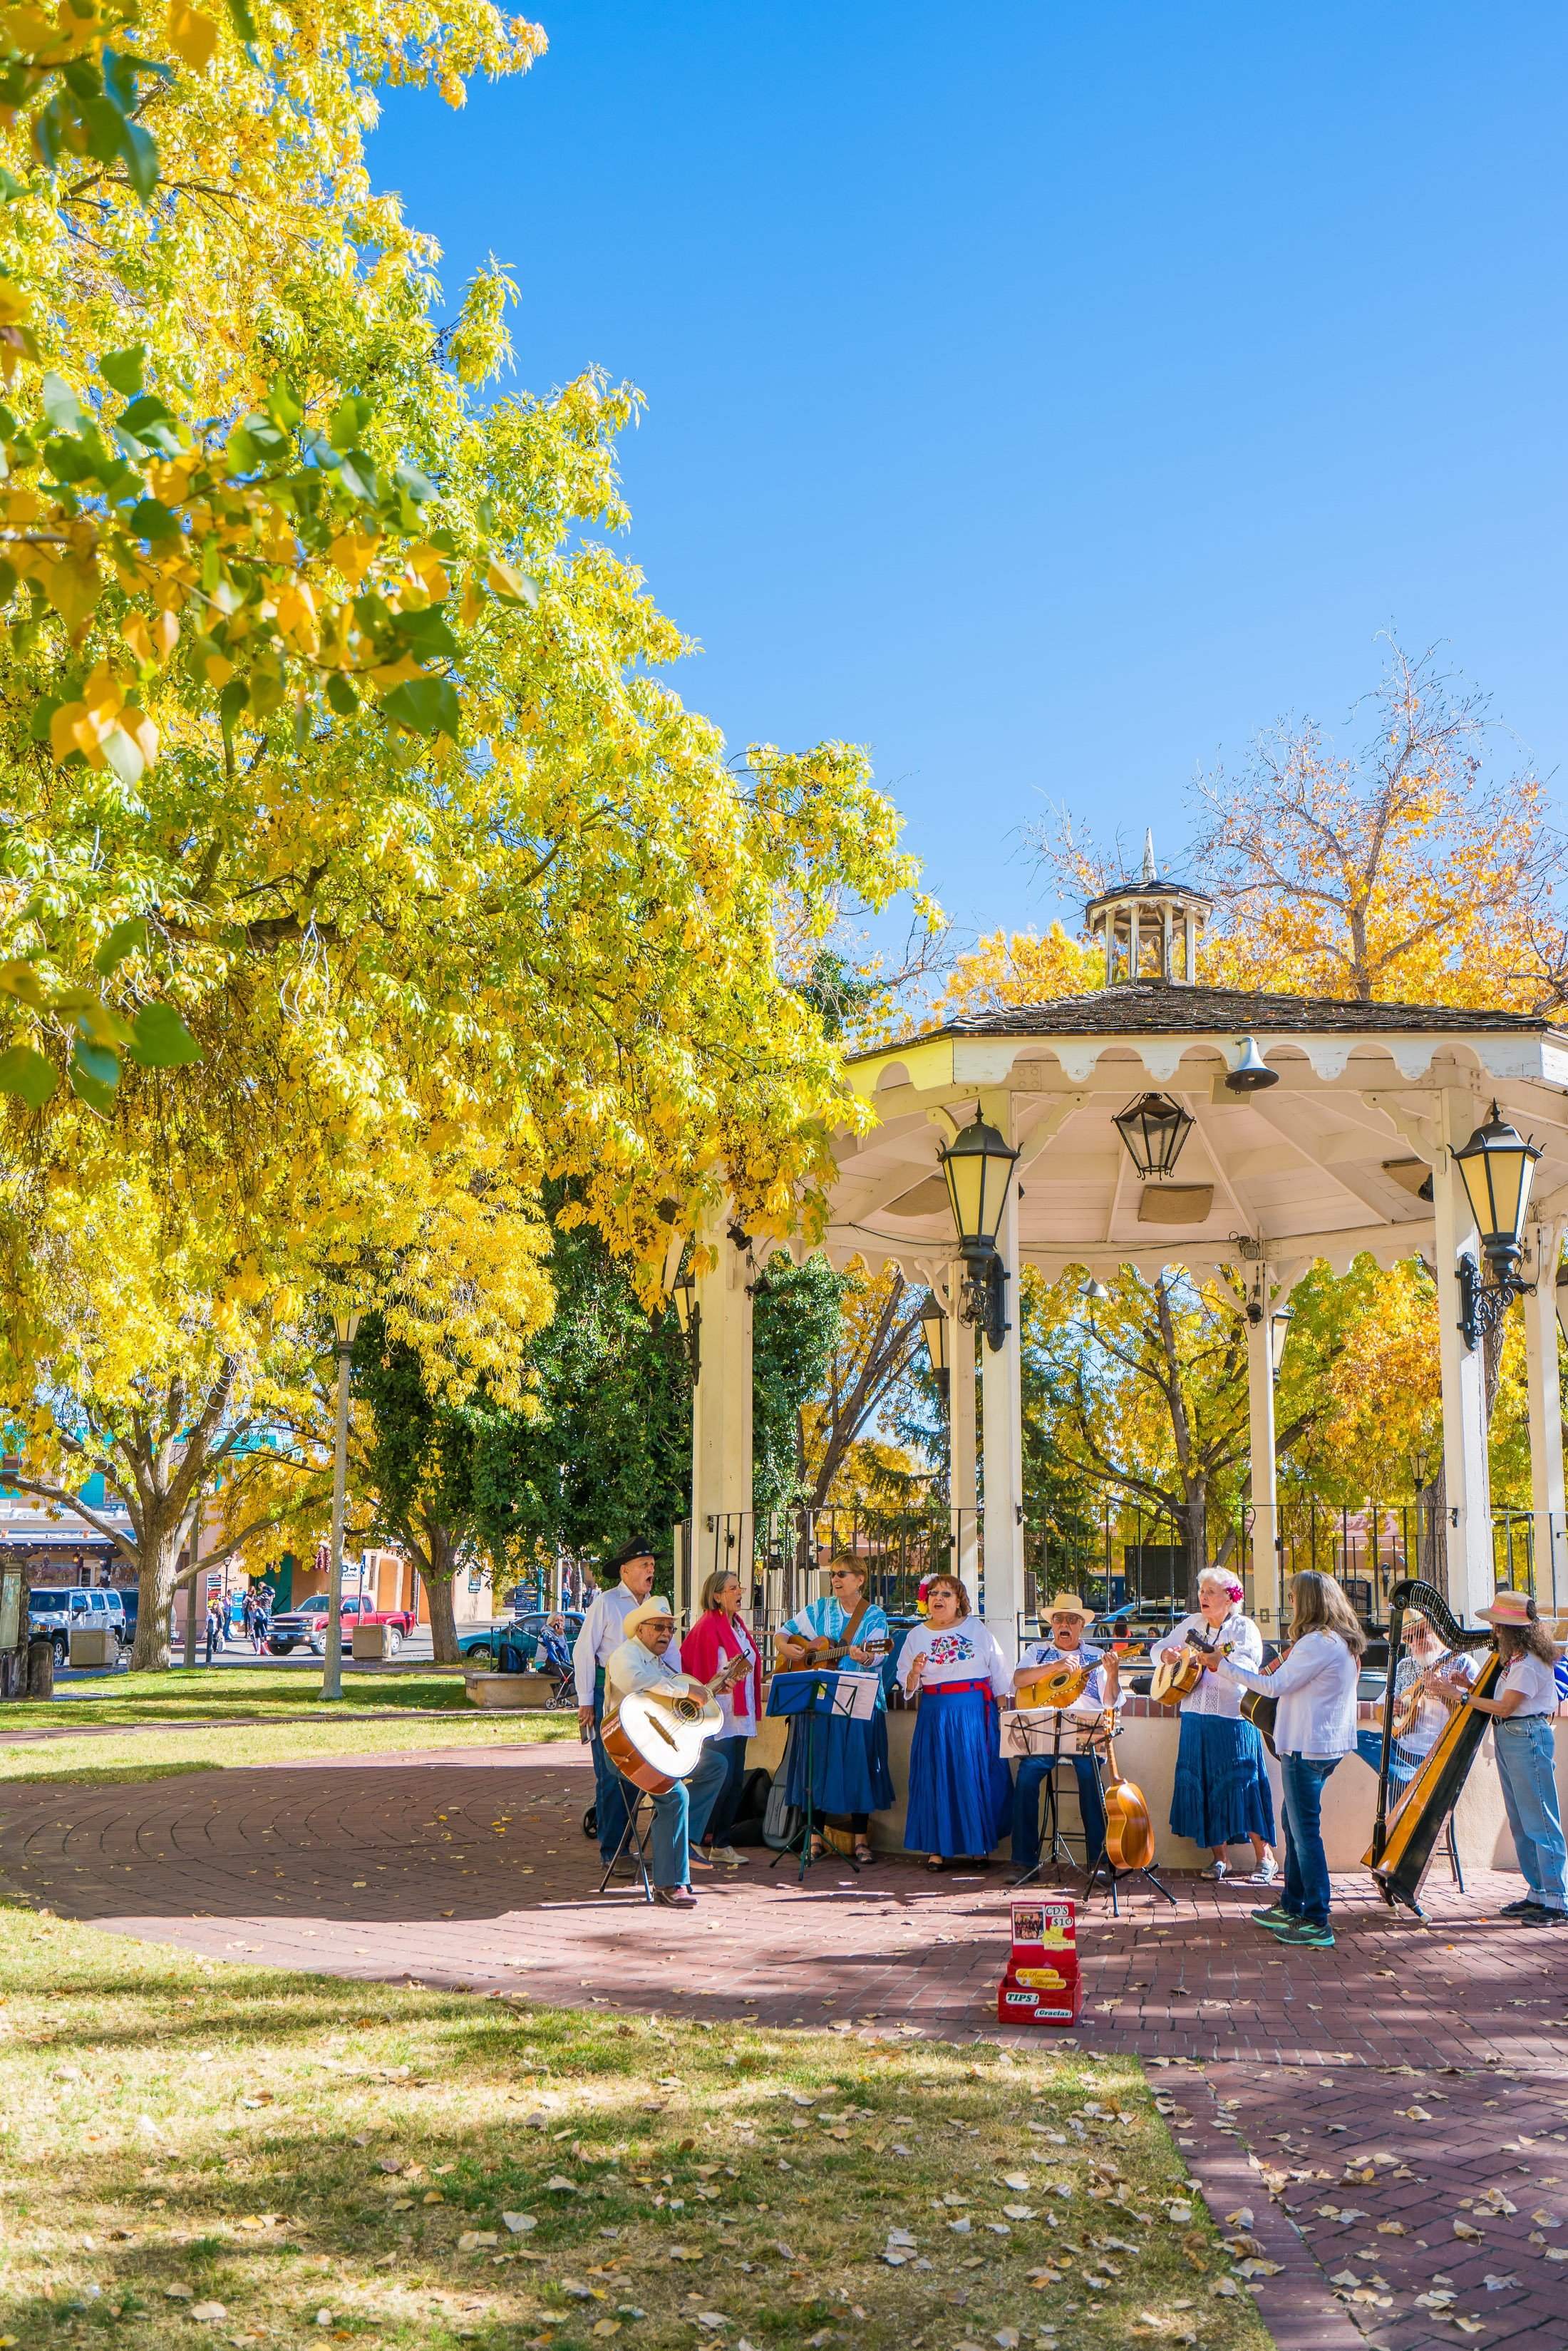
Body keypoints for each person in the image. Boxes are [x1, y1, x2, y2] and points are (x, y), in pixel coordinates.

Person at [1220, 1568, 1362, 1949]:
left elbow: (1273, 1685)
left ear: (1310, 1601)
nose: (1291, 1603)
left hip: (1307, 1747)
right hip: (1324, 1746)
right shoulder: (1339, 1641)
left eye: (1295, 1596)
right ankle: (1291, 1904)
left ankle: (1317, 1919)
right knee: (1293, 1824)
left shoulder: (1317, 1643)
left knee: (1305, 1834)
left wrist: (1221, 1666)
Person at [1433, 1588, 1566, 1927]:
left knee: (1540, 1819)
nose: (1493, 1631)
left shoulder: (1530, 1662)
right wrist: (1470, 1683)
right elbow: (1504, 1699)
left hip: (1525, 1736)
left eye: (1497, 1625)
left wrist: (1461, 1696)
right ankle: (1538, 1892)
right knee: (1522, 1820)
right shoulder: (1516, 1659)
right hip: (1511, 1735)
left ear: (1511, 1629)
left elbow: (1508, 1706)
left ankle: (1557, 1898)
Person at [602, 1595, 731, 1910]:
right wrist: (687, 1691)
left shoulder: (661, 1662)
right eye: (659, 1627)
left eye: (670, 1629)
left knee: (715, 1764)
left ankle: (686, 1842)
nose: (665, 1634)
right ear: (641, 1629)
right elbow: (637, 1682)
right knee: (676, 1797)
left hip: (656, 1748)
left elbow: (668, 1704)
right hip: (625, 1751)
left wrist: (710, 1689)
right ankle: (669, 1885)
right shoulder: (626, 1655)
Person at [1150, 1569, 1276, 1884]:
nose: (1203, 1596)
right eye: (1202, 1590)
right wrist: (1165, 1654)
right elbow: (1158, 1649)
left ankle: (1266, 1858)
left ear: (1230, 1597)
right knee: (1203, 1787)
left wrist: (1220, 1662)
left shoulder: (1243, 1628)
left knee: (1242, 1785)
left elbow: (1249, 1667)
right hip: (1195, 1717)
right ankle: (1221, 1859)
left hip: (1232, 1719)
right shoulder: (1192, 1624)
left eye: (1211, 1591)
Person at [778, 1558, 894, 1863]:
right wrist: (785, 1647)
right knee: (816, 1768)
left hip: (858, 1701)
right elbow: (784, 1631)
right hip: (819, 1699)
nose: (836, 1579)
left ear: (860, 1579)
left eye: (842, 1574)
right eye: (833, 1574)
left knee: (859, 1768)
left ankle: (860, 1841)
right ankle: (814, 1839)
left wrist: (864, 1657)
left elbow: (878, 1658)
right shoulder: (819, 1608)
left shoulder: (874, 1615)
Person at [897, 1573, 1013, 1871]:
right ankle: (936, 1849)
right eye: (933, 1593)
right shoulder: (916, 1636)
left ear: (959, 1600)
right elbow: (908, 1686)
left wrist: (1001, 1714)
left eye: (947, 1594)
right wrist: (915, 1670)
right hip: (936, 1714)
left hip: (974, 1713)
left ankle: (978, 1846)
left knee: (971, 1775)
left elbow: (998, 1673)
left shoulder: (977, 1629)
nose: (938, 1598)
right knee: (937, 1776)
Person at [1010, 1593, 1120, 1882]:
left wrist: (1113, 1675)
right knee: (1026, 1777)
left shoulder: (1096, 1656)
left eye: (1072, 1620)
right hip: (1043, 1734)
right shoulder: (1038, 1652)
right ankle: (1023, 1862)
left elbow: (1110, 1703)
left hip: (1083, 1737)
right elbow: (1019, 1680)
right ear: (1052, 1625)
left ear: (1081, 1626)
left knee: (1090, 1777)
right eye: (1059, 1619)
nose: (1065, 1624)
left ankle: (1099, 1860)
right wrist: (1056, 1667)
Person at [572, 1538, 658, 1876]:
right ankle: (613, 1852)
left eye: (652, 1564)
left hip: (642, 1698)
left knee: (636, 1775)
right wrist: (585, 1702)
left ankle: (625, 1847)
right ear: (625, 1571)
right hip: (606, 1694)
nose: (651, 1570)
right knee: (611, 1776)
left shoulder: (655, 1606)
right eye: (644, 1565)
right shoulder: (606, 1603)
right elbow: (583, 1653)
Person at [677, 1568, 763, 1868]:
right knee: (720, 1780)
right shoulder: (706, 1627)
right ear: (717, 1596)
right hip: (716, 1716)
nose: (740, 1592)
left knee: (736, 1780)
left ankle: (722, 1844)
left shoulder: (738, 1626)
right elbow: (692, 1669)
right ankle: (693, 1840)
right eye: (733, 1588)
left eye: (740, 1587)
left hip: (739, 1715)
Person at [1356, 1608, 1475, 1796]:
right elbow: (1380, 1711)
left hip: (1437, 1753)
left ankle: (1408, 1777)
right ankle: (1409, 1777)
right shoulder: (1403, 1666)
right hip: (1401, 1752)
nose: (1415, 1642)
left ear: (1437, 1630)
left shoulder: (1462, 1663)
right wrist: (1388, 1710)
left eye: (1419, 1634)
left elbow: (1471, 1717)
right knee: (1358, 1737)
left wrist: (1443, 1692)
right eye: (1408, 1638)